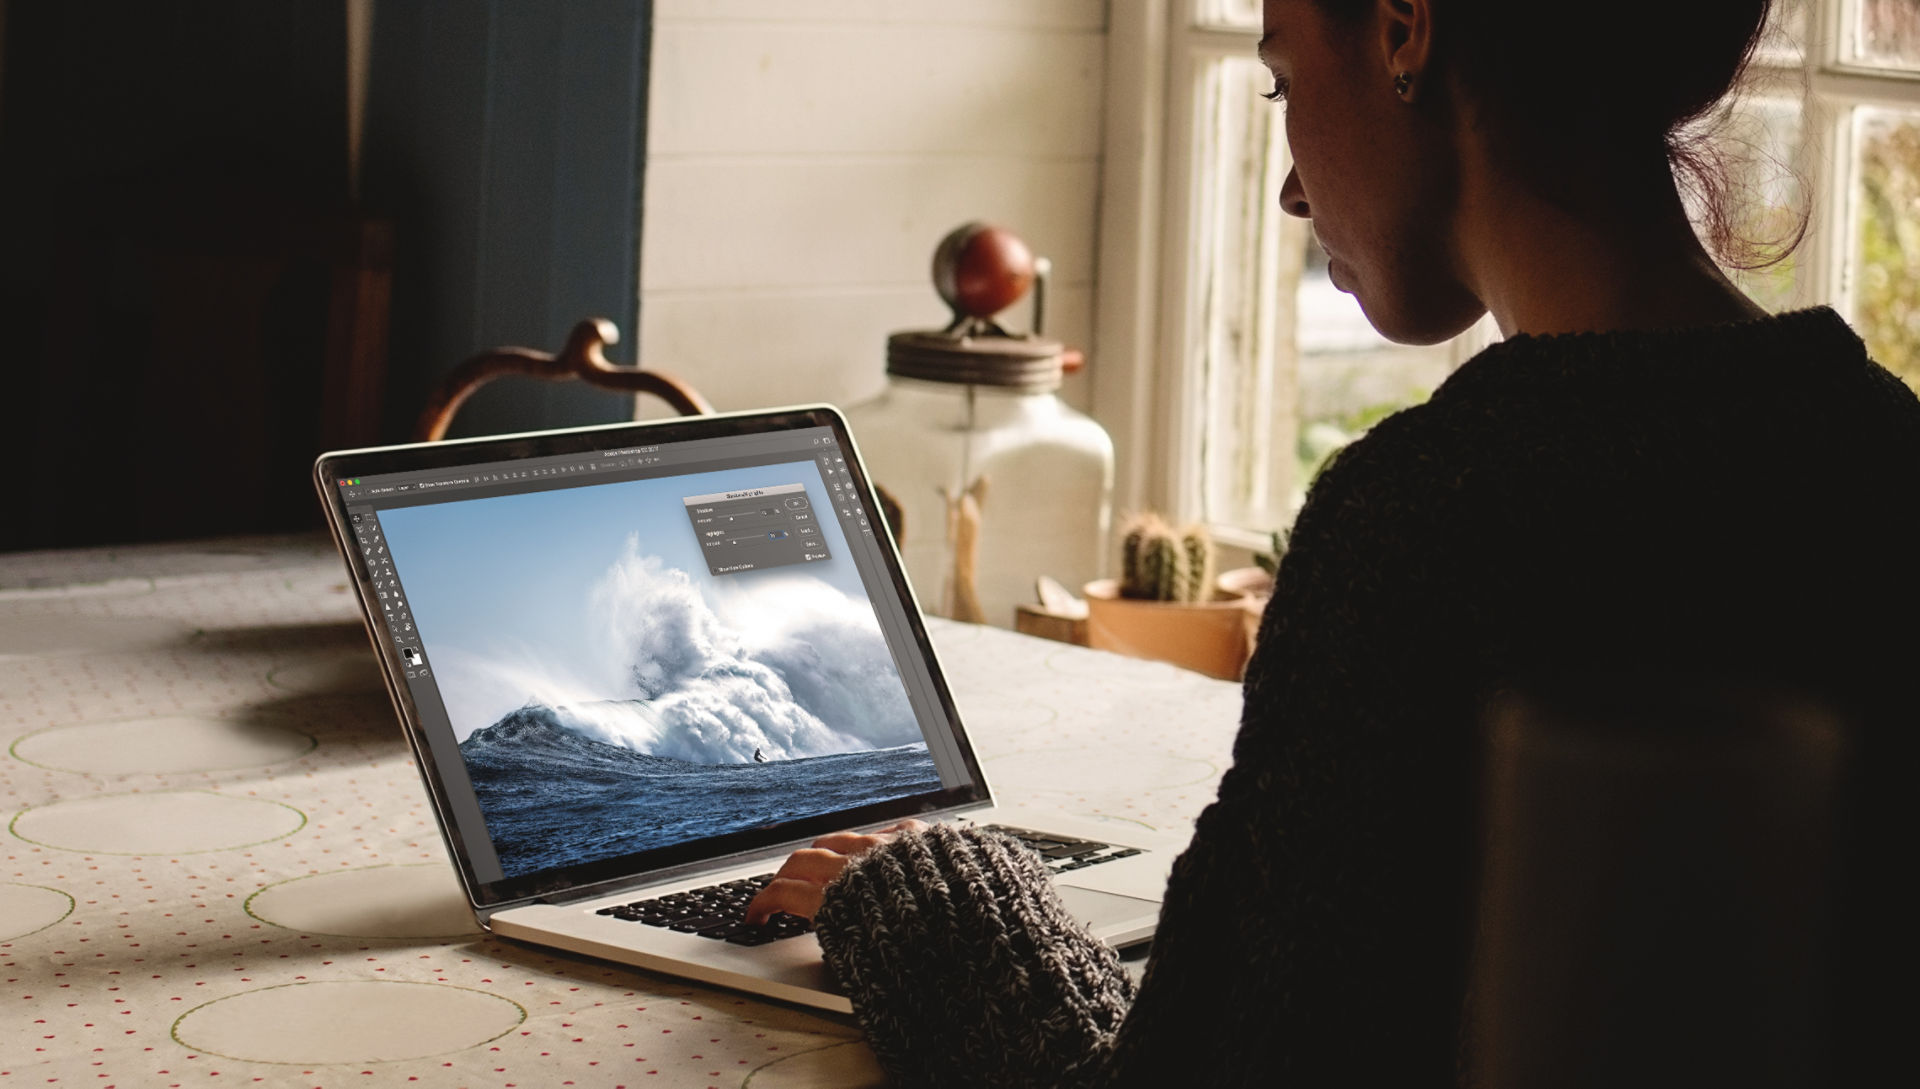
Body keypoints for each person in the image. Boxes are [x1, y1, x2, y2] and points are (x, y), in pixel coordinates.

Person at [745, 0, 1920, 1084]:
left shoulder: (1435, 518)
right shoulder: (1879, 446)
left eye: (1283, 82)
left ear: (1407, 29)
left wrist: (937, 892)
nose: (1291, 193)